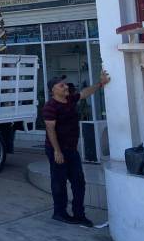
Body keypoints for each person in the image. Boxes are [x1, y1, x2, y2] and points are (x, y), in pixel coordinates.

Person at [43, 70, 110, 227]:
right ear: (53, 89)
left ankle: (79, 214)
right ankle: (59, 213)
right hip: (57, 150)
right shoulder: (50, 106)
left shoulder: (70, 100)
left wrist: (100, 84)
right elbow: (50, 129)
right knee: (59, 182)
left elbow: (84, 93)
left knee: (79, 182)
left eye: (65, 84)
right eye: (62, 85)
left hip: (71, 149)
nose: (66, 87)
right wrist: (57, 151)